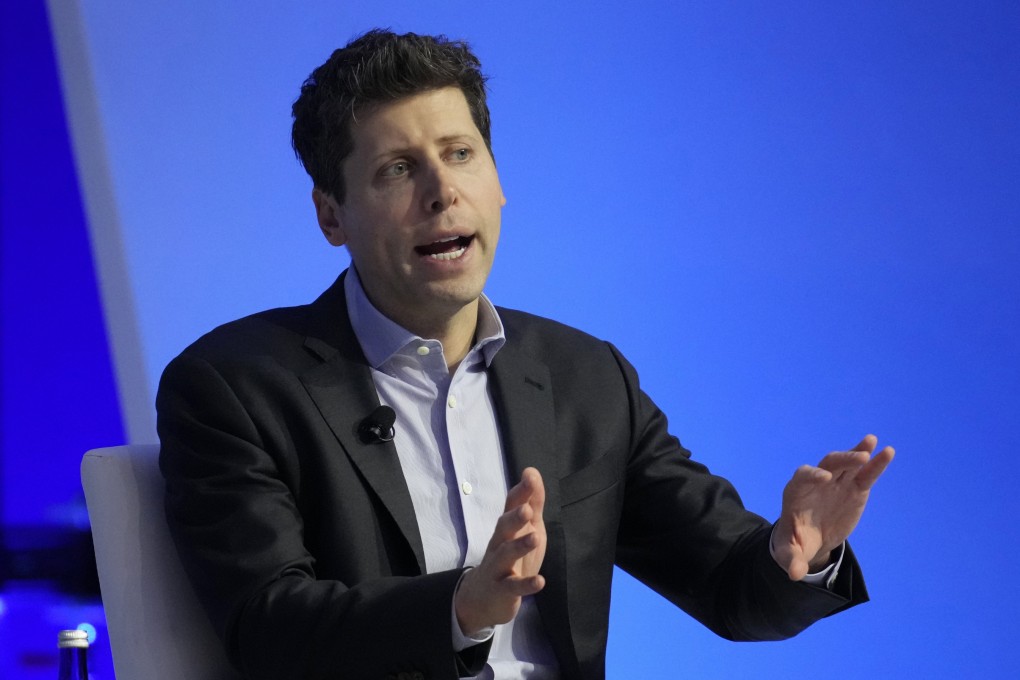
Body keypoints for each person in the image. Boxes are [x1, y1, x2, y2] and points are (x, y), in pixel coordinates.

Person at [157, 29, 894, 680]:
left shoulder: (585, 378)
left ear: (498, 181)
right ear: (330, 215)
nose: (443, 192)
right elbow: (268, 627)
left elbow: (730, 590)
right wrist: (461, 607)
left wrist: (798, 554)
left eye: (460, 154)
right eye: (397, 169)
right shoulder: (237, 386)